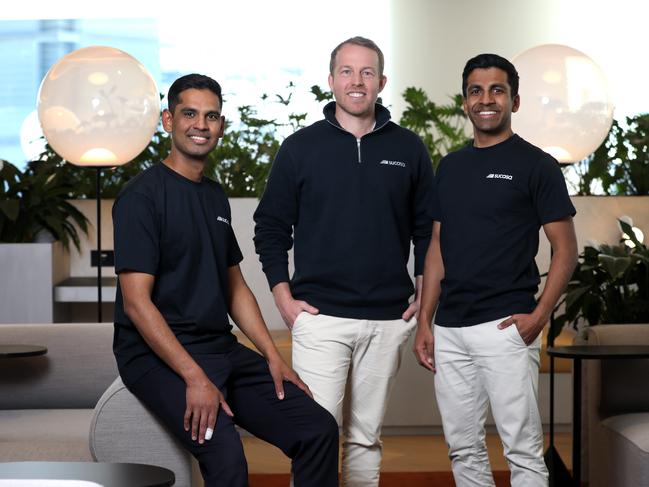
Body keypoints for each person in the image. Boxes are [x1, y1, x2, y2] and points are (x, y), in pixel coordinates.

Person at [112, 74, 339, 487]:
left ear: (221, 125)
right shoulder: (141, 198)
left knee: (318, 430)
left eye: (211, 115)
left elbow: (235, 285)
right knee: (226, 456)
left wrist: (272, 355)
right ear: (168, 120)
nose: (201, 124)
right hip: (154, 358)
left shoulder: (213, 195)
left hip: (219, 348)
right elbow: (136, 303)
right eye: (189, 114)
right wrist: (194, 377)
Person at [254, 37, 435, 486]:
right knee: (317, 436)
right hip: (320, 317)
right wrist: (283, 298)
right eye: (348, 72)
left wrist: (424, 297)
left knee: (366, 438)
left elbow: (428, 231)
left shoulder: (410, 149)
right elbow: (271, 227)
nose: (357, 82)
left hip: (389, 318)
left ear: (382, 82)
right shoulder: (300, 148)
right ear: (332, 80)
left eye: (367, 72)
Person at [413, 53, 578, 487]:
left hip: (507, 327)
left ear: (515, 101)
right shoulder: (449, 166)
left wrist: (539, 317)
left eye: (497, 90)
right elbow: (437, 246)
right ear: (465, 102)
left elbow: (566, 249)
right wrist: (425, 321)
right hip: (450, 329)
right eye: (476, 91)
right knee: (463, 449)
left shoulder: (537, 165)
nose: (486, 99)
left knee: (522, 451)